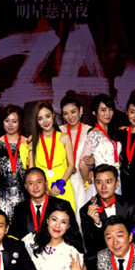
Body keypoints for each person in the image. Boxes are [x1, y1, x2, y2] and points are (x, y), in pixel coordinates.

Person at [80, 164, 135, 270]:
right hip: (102, 254)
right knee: (91, 257)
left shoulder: (129, 205)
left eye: (108, 182)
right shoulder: (86, 210)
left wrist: (123, 249)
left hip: (127, 251)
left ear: (117, 183)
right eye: (99, 182)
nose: (103, 187)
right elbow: (89, 243)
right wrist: (97, 224)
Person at [29, 101, 76, 211]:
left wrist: (60, 184)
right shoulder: (33, 139)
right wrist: (42, 187)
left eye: (47, 116)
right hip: (42, 192)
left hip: (63, 188)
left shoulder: (64, 137)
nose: (45, 121)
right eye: (40, 118)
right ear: (36, 121)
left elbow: (71, 165)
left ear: (53, 115)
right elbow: (32, 169)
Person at [9, 167, 78, 241]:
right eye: (31, 183)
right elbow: (15, 236)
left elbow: (74, 235)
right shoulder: (20, 208)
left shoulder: (61, 205)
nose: (35, 187)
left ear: (46, 183)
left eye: (39, 182)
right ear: (26, 186)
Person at [0, 104, 31, 220]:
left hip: (24, 193)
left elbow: (31, 170)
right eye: (7, 121)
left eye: (14, 121)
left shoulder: (27, 143)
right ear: (2, 122)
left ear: (20, 123)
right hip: (2, 194)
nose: (10, 125)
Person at [79, 94, 123, 198]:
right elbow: (82, 165)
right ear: (94, 112)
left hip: (115, 180)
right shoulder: (94, 134)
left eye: (110, 109)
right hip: (102, 182)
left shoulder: (113, 132)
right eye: (103, 110)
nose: (107, 113)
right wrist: (88, 180)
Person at [59, 91, 92, 221]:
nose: (70, 117)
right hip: (63, 181)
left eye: (73, 112)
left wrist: (93, 162)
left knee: (81, 219)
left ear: (81, 110)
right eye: (66, 113)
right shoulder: (59, 131)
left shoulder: (89, 131)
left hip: (83, 181)